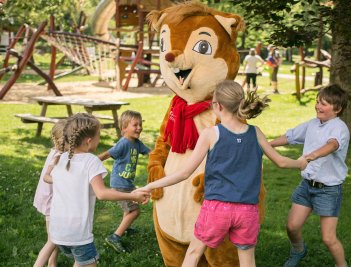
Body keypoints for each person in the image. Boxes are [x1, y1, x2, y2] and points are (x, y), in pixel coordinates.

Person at [139, 80, 308, 267]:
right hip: (247, 211)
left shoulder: (211, 134)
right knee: (247, 261)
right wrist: (300, 163)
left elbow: (184, 173)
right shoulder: (256, 132)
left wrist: (150, 185)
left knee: (193, 253)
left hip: (217, 209)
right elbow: (281, 161)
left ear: (217, 106)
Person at [44, 113, 149, 267]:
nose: (99, 139)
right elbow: (102, 193)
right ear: (89, 140)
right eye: (98, 135)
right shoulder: (91, 161)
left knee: (80, 263)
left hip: (57, 232)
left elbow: (50, 178)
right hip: (78, 235)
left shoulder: (60, 158)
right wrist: (133, 195)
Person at [269, 84, 351, 267]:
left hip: (328, 190)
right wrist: (266, 145)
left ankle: (342, 265)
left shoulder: (339, 128)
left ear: (337, 109)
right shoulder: (313, 124)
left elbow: (332, 145)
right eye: (317, 102)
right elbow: (289, 137)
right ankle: (299, 250)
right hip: (307, 185)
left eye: (323, 104)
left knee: (328, 238)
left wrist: (312, 155)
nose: (318, 106)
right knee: (291, 227)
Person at [98, 110, 151, 253]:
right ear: (124, 128)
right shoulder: (123, 143)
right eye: (135, 125)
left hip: (127, 183)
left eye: (140, 124)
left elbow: (150, 153)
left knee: (130, 209)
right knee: (135, 212)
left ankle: (125, 228)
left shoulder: (137, 143)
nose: (139, 127)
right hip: (120, 184)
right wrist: (93, 162)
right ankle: (115, 237)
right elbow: (108, 153)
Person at [33, 119, 67, 267]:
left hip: (50, 200)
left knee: (53, 237)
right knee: (53, 239)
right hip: (52, 202)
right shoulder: (59, 156)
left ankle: (52, 262)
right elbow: (51, 178)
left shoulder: (55, 151)